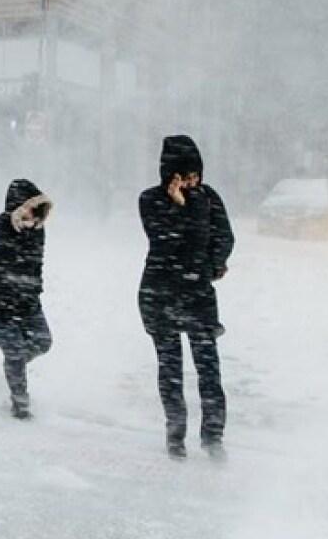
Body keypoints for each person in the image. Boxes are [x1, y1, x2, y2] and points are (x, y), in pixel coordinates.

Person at [138, 136, 234, 460]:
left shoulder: (209, 198)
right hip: (160, 294)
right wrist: (182, 206)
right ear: (170, 175)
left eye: (197, 174)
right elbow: (167, 243)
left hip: (197, 295)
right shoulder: (150, 200)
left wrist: (211, 266)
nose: (193, 182)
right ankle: (175, 434)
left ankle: (213, 436)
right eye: (185, 175)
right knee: (171, 369)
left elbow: (224, 237)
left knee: (209, 369)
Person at [0, 179, 54, 419]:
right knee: (15, 350)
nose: (34, 218)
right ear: (17, 207)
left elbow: (36, 266)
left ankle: (13, 367)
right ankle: (20, 407)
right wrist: (3, 278)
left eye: (39, 212)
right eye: (30, 209)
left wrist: (32, 291)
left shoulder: (37, 231)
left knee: (43, 342)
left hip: (26, 302)